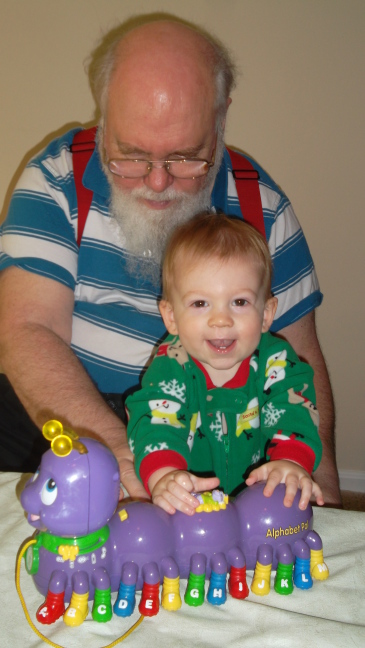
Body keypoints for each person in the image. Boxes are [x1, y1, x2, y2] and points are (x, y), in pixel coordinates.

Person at [0, 15, 341, 505]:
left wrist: (323, 495)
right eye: (131, 155)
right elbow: (27, 330)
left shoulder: (260, 205)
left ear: (221, 117)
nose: (157, 182)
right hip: (69, 411)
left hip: (213, 425)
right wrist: (119, 454)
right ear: (104, 111)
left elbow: (300, 357)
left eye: (185, 157)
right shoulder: (54, 181)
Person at [126, 212, 324, 515]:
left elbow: (294, 410)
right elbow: (156, 422)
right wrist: (164, 476)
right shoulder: (171, 366)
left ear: (267, 314)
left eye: (240, 302)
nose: (221, 320)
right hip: (192, 503)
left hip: (261, 498)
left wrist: (290, 462)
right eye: (200, 303)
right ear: (171, 317)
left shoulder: (277, 362)